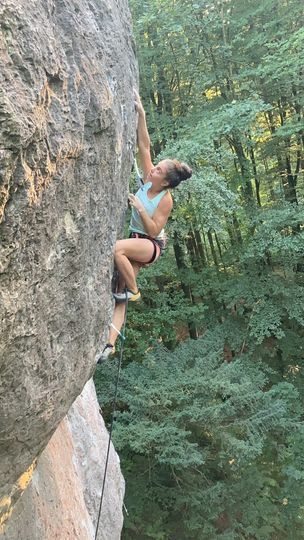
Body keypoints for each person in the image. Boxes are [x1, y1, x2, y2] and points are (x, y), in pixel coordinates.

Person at [96, 90, 192, 363]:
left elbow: (153, 231)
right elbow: (145, 147)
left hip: (151, 245)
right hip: (137, 239)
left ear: (166, 182)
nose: (152, 170)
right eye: (156, 167)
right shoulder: (151, 179)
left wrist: (139, 207)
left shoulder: (165, 200)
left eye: (159, 171)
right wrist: (142, 115)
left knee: (117, 251)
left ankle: (135, 290)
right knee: (119, 293)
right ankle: (109, 345)